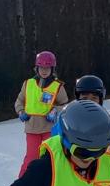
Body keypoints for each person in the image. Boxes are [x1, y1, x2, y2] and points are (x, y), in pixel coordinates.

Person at [14, 50, 69, 178]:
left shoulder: (57, 86)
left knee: (50, 157)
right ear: (37, 68)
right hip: (32, 128)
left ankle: (50, 182)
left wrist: (55, 110)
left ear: (52, 69)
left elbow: (65, 105)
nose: (44, 71)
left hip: (49, 129)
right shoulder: (28, 84)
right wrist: (20, 111)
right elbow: (19, 101)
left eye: (47, 68)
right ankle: (23, 182)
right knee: (31, 157)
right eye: (41, 68)